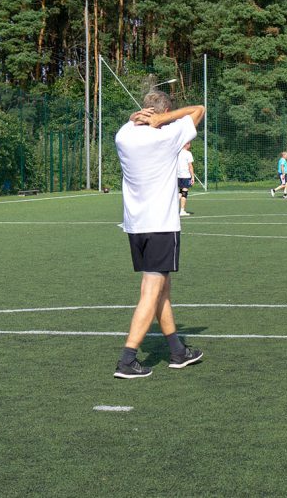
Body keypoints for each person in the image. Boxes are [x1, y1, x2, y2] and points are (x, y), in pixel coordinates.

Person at [113, 91, 205, 379]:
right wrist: (166, 118)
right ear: (163, 112)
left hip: (136, 226)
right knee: (151, 291)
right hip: (161, 225)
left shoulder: (124, 134)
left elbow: (133, 122)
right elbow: (199, 109)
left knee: (161, 289)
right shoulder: (166, 136)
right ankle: (128, 358)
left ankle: (177, 351)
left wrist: (143, 117)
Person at [176, 141, 197, 217]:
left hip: (177, 176)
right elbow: (190, 166)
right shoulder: (188, 153)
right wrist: (192, 177)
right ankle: (182, 210)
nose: (190, 145)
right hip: (185, 175)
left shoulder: (177, 152)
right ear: (186, 144)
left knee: (180, 192)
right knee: (184, 192)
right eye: (189, 143)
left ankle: (172, 207)